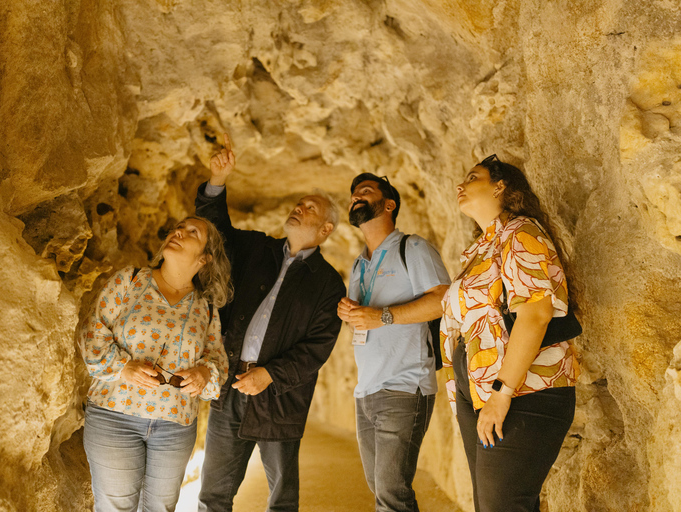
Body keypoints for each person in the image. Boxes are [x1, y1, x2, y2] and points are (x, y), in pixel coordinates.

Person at [195, 133, 345, 512]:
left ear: (326, 229)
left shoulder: (328, 283)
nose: (299, 207)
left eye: (309, 207)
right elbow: (217, 232)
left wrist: (271, 375)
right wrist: (217, 181)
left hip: (279, 399)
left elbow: (317, 347)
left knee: (281, 501)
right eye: (298, 203)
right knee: (213, 496)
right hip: (229, 387)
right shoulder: (256, 248)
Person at [441, 154, 580, 511]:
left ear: (500, 186)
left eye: (472, 177)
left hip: (524, 391)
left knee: (500, 505)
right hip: (482, 392)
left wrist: (501, 394)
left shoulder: (522, 234)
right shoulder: (482, 248)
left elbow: (535, 316)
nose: (461, 184)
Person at [79, 216, 232, 512]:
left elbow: (218, 360)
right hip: (114, 418)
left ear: (204, 258)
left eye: (192, 232)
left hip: (175, 427)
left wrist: (203, 373)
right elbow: (92, 332)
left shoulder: (206, 307)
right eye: (178, 228)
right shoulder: (130, 280)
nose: (178, 232)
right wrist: (124, 367)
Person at [337, 173, 451, 512]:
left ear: (389, 205)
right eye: (354, 193)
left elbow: (444, 299)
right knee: (381, 489)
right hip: (366, 391)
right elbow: (366, 322)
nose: (356, 196)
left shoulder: (411, 247)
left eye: (366, 191)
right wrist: (350, 314)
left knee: (390, 494)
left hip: (404, 385)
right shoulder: (359, 264)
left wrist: (382, 316)